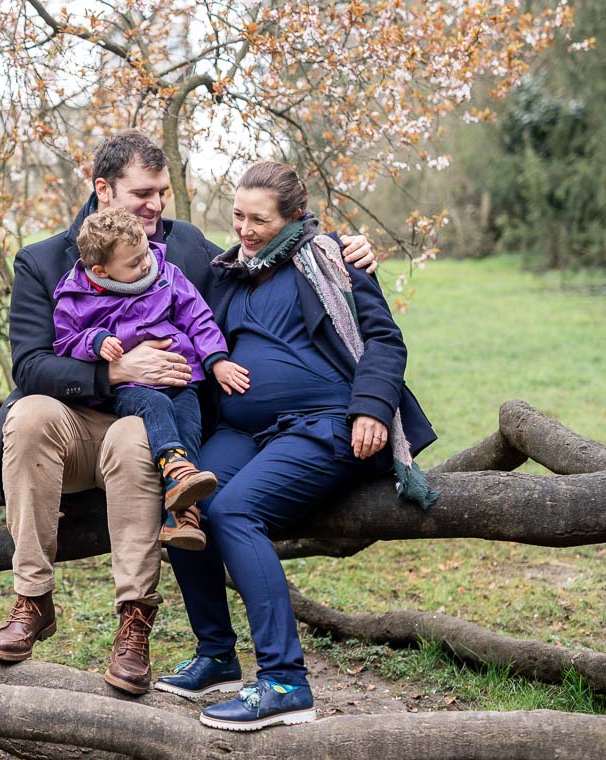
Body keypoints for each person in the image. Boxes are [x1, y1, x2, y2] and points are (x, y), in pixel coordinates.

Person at [0, 131, 376, 696]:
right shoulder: (44, 262)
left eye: (164, 193)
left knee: (140, 438)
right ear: (103, 190)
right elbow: (30, 365)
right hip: (73, 426)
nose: (156, 206)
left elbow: (262, 252)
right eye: (143, 193)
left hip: (147, 428)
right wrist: (114, 370)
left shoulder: (185, 248)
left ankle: (134, 624)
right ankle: (31, 599)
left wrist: (341, 248)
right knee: (30, 414)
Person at [152, 161, 437, 731]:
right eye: (237, 215)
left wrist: (371, 408)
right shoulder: (227, 271)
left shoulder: (332, 259)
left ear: (295, 218)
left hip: (325, 423)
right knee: (188, 497)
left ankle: (285, 683)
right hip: (241, 431)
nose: (245, 229)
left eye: (259, 219)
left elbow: (383, 339)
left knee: (235, 511)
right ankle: (216, 657)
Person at [53, 207, 251, 554]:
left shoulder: (166, 275)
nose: (145, 264)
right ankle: (175, 470)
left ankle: (180, 517)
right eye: (134, 263)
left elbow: (198, 318)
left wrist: (216, 359)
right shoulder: (77, 297)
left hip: (181, 377)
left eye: (145, 252)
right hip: (131, 388)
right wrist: (96, 342)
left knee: (189, 425)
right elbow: (65, 342)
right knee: (155, 405)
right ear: (101, 271)